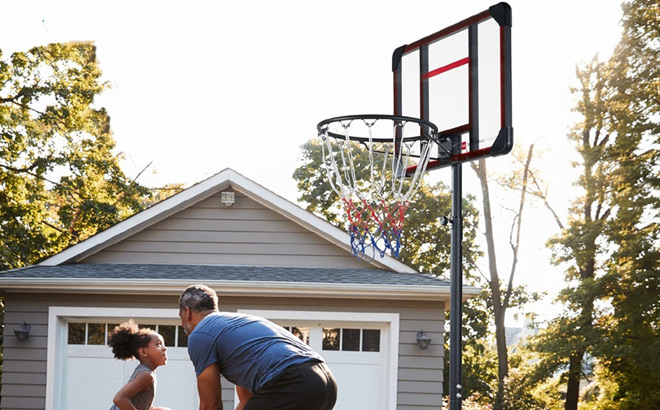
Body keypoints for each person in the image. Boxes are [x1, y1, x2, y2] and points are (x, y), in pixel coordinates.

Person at [178, 284, 337, 410]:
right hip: (324, 384)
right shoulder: (235, 326)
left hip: (292, 381)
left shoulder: (201, 334)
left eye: (180, 317)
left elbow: (210, 406)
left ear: (187, 312)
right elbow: (247, 400)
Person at [108, 320, 171, 410]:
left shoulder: (146, 373)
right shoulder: (146, 375)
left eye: (163, 344)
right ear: (143, 352)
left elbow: (139, 403)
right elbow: (119, 399)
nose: (164, 348)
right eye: (158, 344)